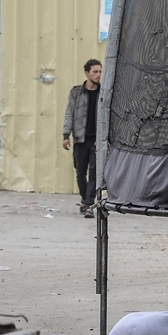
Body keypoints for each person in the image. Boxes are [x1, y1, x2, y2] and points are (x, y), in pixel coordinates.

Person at [62, 59, 102, 218]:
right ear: (87, 73)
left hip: (97, 140)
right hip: (80, 138)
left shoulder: (104, 92)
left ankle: (89, 205)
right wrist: (66, 135)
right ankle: (85, 199)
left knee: (93, 172)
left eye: (100, 72)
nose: (98, 75)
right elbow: (69, 113)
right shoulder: (76, 92)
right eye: (95, 72)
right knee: (80, 173)